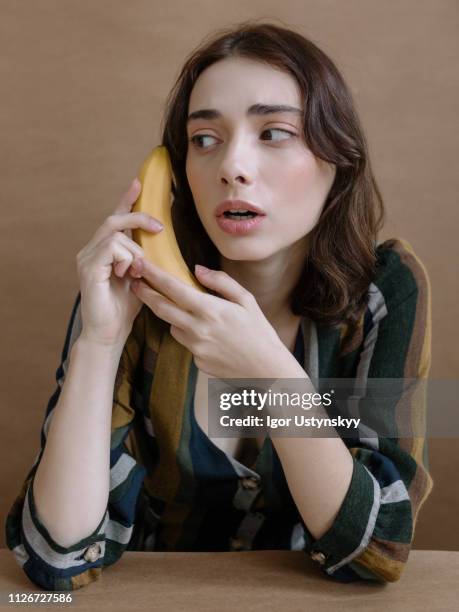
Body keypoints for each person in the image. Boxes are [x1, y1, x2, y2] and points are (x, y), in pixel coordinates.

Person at [5, 20, 433, 591]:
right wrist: (100, 341)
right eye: (204, 139)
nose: (232, 166)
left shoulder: (386, 289)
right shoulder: (135, 287)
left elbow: (377, 550)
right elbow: (55, 557)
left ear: (338, 158)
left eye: (274, 132)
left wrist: (274, 375)